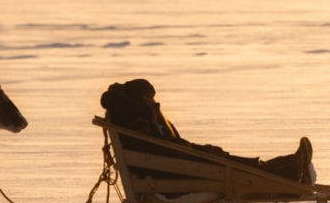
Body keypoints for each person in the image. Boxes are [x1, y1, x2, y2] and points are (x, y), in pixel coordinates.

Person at [101, 78, 315, 187]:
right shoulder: (136, 119)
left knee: (221, 157)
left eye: (152, 97)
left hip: (174, 161)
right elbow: (155, 148)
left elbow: (162, 144)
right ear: (138, 99)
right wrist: (189, 151)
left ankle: (289, 166)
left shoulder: (136, 115)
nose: (152, 101)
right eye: (148, 97)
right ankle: (289, 172)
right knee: (222, 162)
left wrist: (189, 149)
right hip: (170, 168)